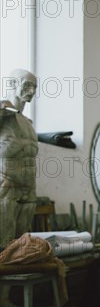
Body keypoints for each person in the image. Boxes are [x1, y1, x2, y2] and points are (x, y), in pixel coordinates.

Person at [0, 69, 39, 250]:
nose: (31, 91)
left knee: (21, 244)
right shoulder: (3, 113)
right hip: (7, 183)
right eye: (27, 85)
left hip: (28, 186)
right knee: (5, 244)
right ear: (13, 84)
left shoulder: (28, 123)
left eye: (34, 87)